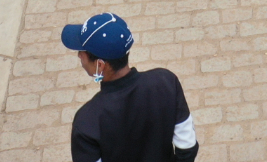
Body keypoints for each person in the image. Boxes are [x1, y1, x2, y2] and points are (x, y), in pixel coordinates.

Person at [62, 14, 198, 162]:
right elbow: (187, 147)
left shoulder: (87, 121)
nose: (79, 56)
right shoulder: (165, 82)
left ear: (100, 65)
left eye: (81, 52)